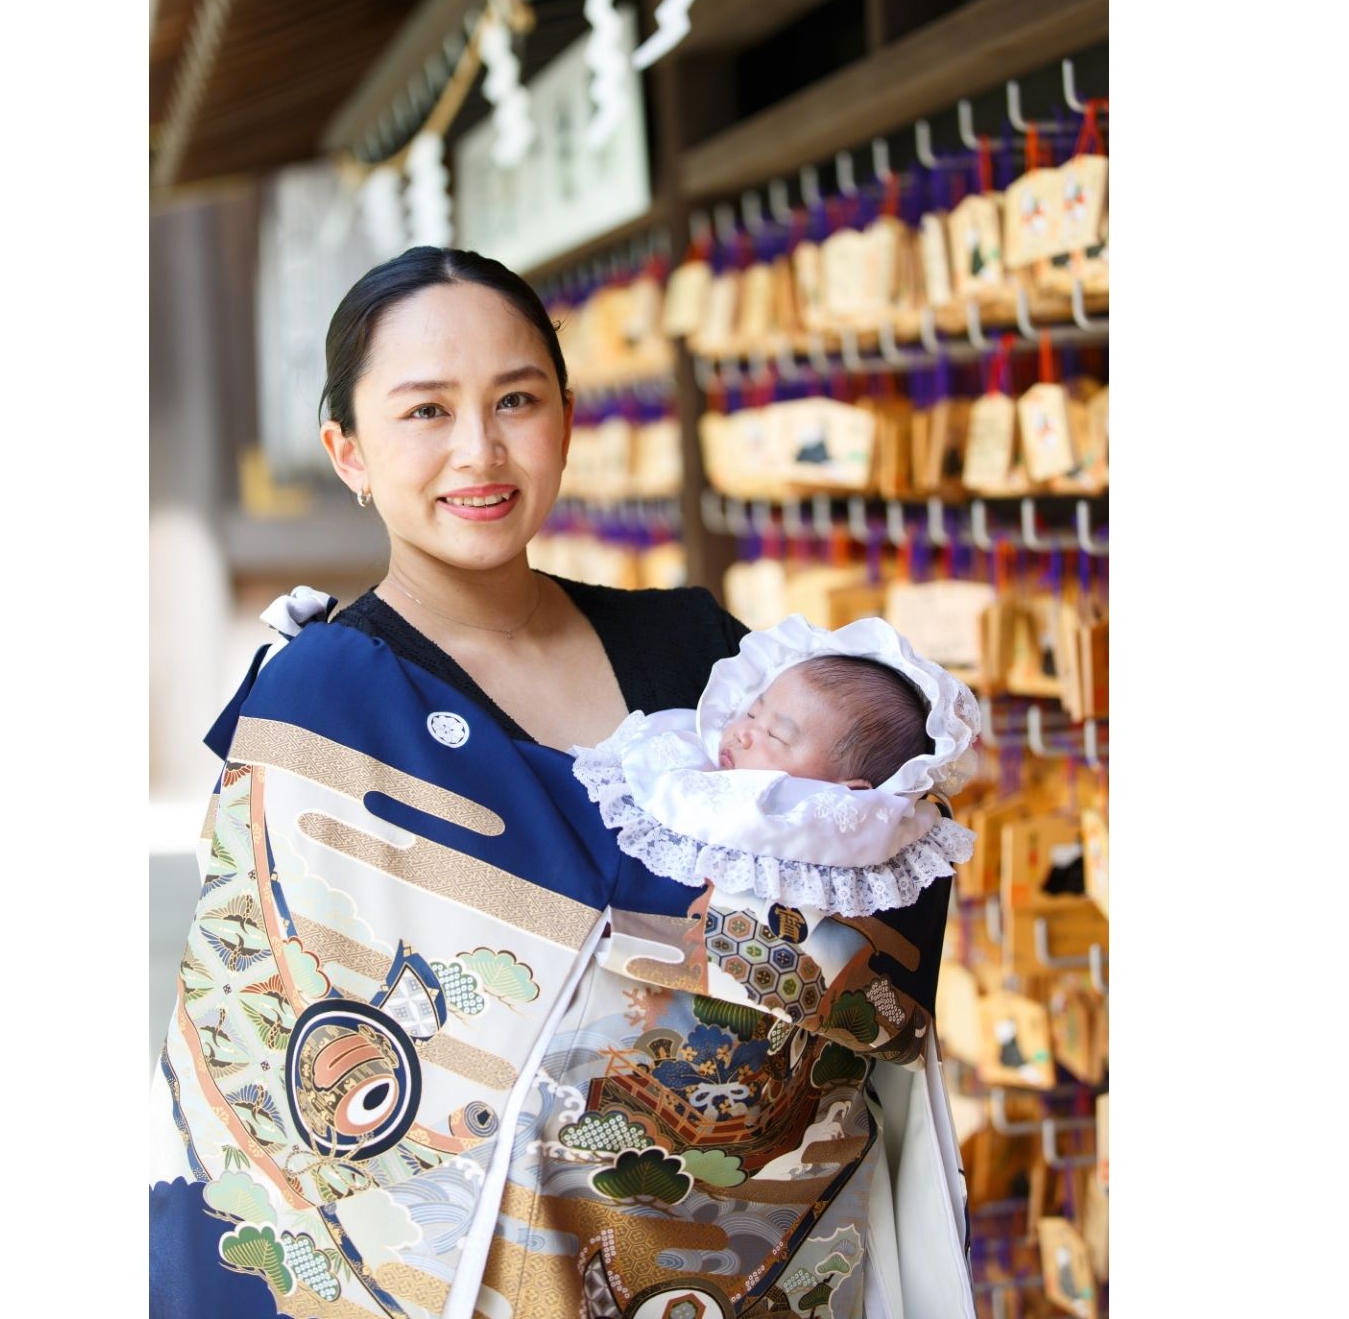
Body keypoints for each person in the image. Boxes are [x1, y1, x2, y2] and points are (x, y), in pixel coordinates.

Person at [149, 246, 976, 1319]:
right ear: (347, 450)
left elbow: (880, 894)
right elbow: (265, 1058)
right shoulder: (321, 703)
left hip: (744, 1271)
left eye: (515, 400)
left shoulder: (702, 658)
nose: (479, 450)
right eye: (425, 412)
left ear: (567, 417)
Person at [571, 613, 981, 920]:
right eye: (751, 712)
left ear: (848, 795)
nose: (742, 734)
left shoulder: (815, 830)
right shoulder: (693, 754)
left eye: (777, 737)